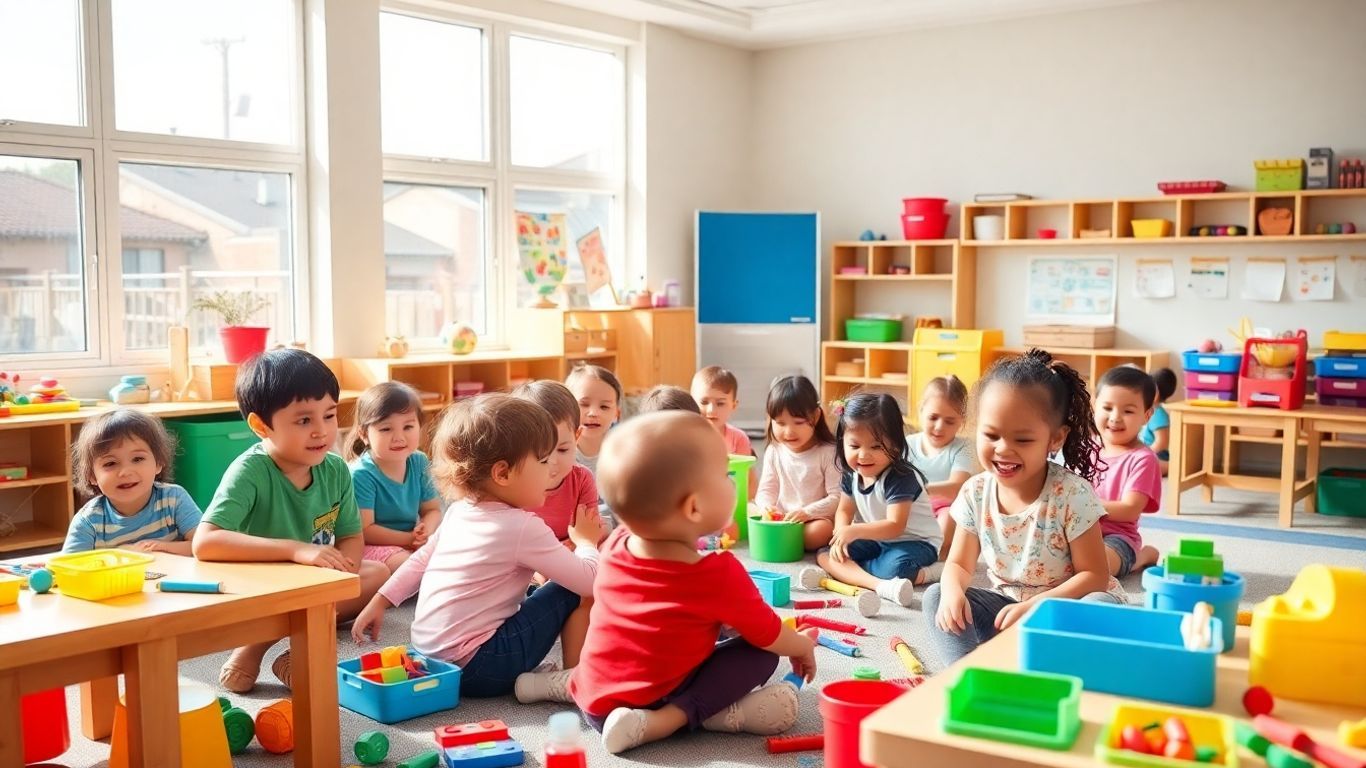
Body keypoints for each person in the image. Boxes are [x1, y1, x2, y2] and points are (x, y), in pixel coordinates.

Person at [569, 411, 817, 754]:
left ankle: (565, 685)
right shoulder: (717, 574)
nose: (732, 482)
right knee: (761, 655)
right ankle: (671, 720)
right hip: (649, 701)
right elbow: (769, 633)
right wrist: (801, 646)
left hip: (593, 700)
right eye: (725, 475)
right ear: (695, 507)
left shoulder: (615, 544)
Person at [351, 394, 605, 699]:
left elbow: (420, 561)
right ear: (502, 473)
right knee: (569, 588)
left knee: (536, 593)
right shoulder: (523, 526)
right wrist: (587, 542)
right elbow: (589, 580)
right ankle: (572, 677)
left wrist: (380, 600)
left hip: (430, 660)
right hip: (484, 668)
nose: (551, 470)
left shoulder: (459, 509)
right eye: (542, 460)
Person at [194, 349, 388, 693]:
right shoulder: (250, 471)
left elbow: (351, 535)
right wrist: (295, 550)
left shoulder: (336, 468)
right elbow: (205, 543)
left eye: (328, 416)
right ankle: (255, 643)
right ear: (261, 426)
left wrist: (341, 577)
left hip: (312, 582)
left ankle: (298, 643)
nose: (322, 431)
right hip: (261, 584)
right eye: (304, 420)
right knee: (309, 600)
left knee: (377, 574)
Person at [925, 349, 1127, 664]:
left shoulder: (1072, 495)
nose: (1003, 449)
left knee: (1102, 603)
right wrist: (952, 593)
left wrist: (1037, 608)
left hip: (1063, 615)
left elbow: (1094, 576)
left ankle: (1057, 662)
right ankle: (964, 669)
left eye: (1022, 440)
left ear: (1056, 438)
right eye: (991, 435)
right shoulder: (975, 493)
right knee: (936, 595)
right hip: (1008, 615)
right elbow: (959, 566)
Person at [808, 392, 942, 610]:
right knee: (825, 554)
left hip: (917, 542)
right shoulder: (852, 473)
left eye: (876, 446)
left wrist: (855, 531)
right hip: (878, 539)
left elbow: (894, 526)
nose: (863, 455)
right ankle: (880, 586)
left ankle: (934, 571)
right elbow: (844, 510)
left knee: (895, 569)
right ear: (843, 444)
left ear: (896, 445)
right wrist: (842, 535)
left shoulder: (901, 477)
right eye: (854, 446)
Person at [63, 408, 200, 553]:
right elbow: (69, 566)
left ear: (159, 463)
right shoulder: (89, 521)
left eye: (137, 459)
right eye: (110, 463)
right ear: (92, 476)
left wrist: (160, 547)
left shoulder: (173, 499)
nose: (125, 472)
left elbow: (202, 546)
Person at [344, 381, 443, 574]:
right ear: (364, 434)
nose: (399, 437)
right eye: (386, 429)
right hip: (369, 546)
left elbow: (432, 510)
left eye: (408, 427)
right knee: (409, 567)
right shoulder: (362, 474)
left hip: (409, 540)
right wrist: (408, 539)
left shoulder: (418, 461)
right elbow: (365, 530)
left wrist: (425, 531)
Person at [1092, 366, 1163, 576]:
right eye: (1107, 407)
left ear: (1146, 416)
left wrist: (1081, 506)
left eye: (1128, 411)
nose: (1115, 417)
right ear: (1094, 406)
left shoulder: (1143, 459)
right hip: (1076, 532)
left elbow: (1130, 509)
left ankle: (1141, 557)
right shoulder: (1085, 449)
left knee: (1098, 568)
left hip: (1117, 537)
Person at [754, 375, 839, 550]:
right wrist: (767, 507)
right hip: (783, 519)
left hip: (813, 519)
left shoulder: (827, 452)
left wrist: (807, 513)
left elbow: (837, 497)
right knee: (750, 511)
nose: (789, 431)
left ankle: (783, 542)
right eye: (780, 423)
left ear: (815, 417)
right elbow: (766, 489)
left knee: (821, 530)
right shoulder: (775, 450)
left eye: (798, 422)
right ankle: (784, 539)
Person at [905, 375, 978, 559]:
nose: (939, 427)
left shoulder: (963, 447)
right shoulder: (907, 444)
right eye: (933, 417)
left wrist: (920, 489)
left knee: (947, 520)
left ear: (962, 420)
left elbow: (956, 487)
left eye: (949, 421)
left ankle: (939, 558)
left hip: (945, 507)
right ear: (921, 410)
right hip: (911, 504)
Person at [690, 365, 756, 498]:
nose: (711, 410)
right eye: (704, 402)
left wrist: (740, 508)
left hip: (730, 504)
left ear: (733, 405)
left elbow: (749, 481)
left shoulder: (739, 438)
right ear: (692, 401)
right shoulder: (688, 436)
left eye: (720, 403)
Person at [1139, 367, 1177, 476]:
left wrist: (1146, 453)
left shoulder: (1157, 414)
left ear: (1155, 393)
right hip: (1147, 451)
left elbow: (1162, 442)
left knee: (1144, 465)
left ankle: (1171, 467)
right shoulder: (1149, 410)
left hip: (1158, 455)